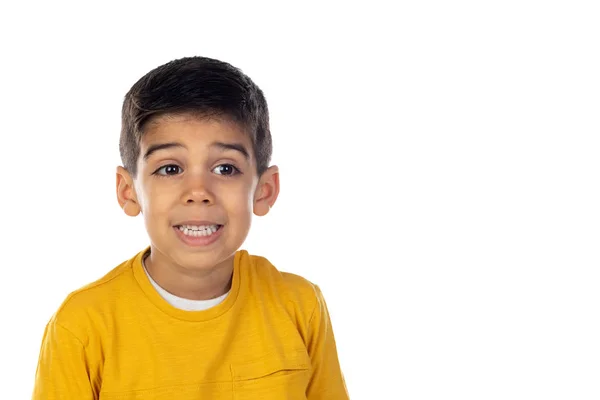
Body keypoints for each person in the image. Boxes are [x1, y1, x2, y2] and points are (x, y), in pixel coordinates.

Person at [32, 56, 349, 399]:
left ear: (264, 190)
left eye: (225, 169)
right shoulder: (81, 327)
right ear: (129, 191)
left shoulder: (300, 306)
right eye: (170, 169)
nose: (198, 192)